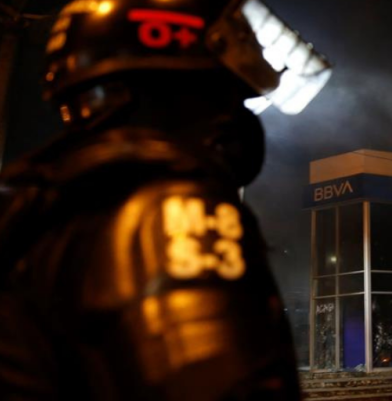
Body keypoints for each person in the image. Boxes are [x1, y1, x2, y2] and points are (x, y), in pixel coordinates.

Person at [0, 0, 330, 399]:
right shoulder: (167, 208)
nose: (238, 115)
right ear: (191, 89)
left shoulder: (49, 204)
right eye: (230, 96)